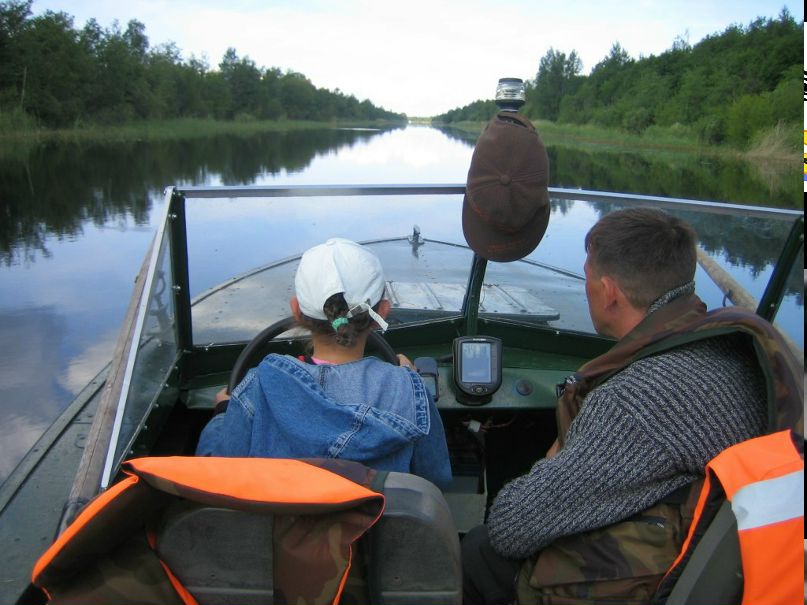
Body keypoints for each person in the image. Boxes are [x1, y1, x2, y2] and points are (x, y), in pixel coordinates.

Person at [461, 207, 782, 604]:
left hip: (652, 583)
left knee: (478, 550)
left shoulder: (634, 403)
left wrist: (556, 458)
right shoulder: (738, 352)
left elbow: (510, 528)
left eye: (587, 277)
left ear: (609, 292)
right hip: (722, 561)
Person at [196, 237, 452, 489]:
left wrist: (223, 413)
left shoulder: (258, 384)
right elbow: (434, 480)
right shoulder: (409, 389)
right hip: (378, 518)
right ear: (382, 312)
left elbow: (217, 475)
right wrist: (407, 381)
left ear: (296, 311)